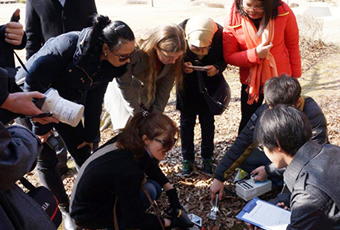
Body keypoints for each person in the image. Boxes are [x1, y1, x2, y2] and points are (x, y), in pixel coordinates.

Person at [17, 15, 136, 230]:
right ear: (106, 48)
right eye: (124, 56)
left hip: (65, 104)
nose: (128, 61)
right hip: (29, 100)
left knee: (83, 150)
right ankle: (63, 208)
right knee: (47, 157)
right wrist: (41, 127)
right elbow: (32, 84)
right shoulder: (66, 46)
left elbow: (94, 98)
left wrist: (90, 134)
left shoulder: (109, 63)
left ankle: (90, 201)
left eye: (131, 55)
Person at [210, 75, 327, 202]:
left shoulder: (313, 115)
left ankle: (281, 184)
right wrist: (219, 177)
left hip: (304, 161)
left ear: (298, 102)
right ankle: (275, 180)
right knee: (248, 160)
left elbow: (311, 158)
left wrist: (270, 170)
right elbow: (243, 142)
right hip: (280, 155)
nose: (274, 115)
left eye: (282, 111)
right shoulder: (267, 108)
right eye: (271, 109)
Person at [70, 112, 193, 230]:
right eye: (164, 142)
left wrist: (170, 191)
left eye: (172, 141)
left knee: (155, 187)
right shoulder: (129, 169)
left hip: (87, 199)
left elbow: (149, 165)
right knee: (150, 190)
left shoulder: (130, 140)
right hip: (87, 213)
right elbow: (134, 218)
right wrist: (169, 223)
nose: (169, 147)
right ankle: (117, 224)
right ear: (146, 139)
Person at [251, 105, 340, 229]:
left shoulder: (307, 193)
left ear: (277, 145)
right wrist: (294, 206)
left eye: (262, 147)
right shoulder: (331, 150)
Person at [223, 0, 301, 134]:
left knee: (282, 119)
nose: (253, 9)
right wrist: (255, 54)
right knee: (249, 120)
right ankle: (245, 152)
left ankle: (281, 151)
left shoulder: (283, 12)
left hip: (280, 77)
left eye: (259, 6)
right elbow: (229, 56)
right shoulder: (232, 19)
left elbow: (292, 45)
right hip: (252, 81)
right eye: (248, 5)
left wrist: (296, 77)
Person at [104, 23, 186, 130]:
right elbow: (124, 85)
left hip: (148, 97)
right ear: (156, 46)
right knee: (127, 132)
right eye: (169, 56)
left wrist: (155, 115)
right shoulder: (134, 53)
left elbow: (165, 89)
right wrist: (138, 115)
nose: (173, 61)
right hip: (124, 97)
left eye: (177, 57)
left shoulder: (173, 59)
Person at [177, 16, 227, 176]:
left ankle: (207, 157)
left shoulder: (220, 35)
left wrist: (217, 68)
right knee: (186, 124)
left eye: (206, 48)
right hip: (187, 87)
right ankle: (187, 158)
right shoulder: (178, 33)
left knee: (207, 123)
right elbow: (172, 59)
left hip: (209, 87)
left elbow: (225, 58)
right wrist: (181, 66)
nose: (201, 54)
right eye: (196, 48)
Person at [25, 0, 97, 60]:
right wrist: (30, 69)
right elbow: (32, 38)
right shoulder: (34, 1)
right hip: (51, 65)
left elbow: (94, 28)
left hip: (82, 65)